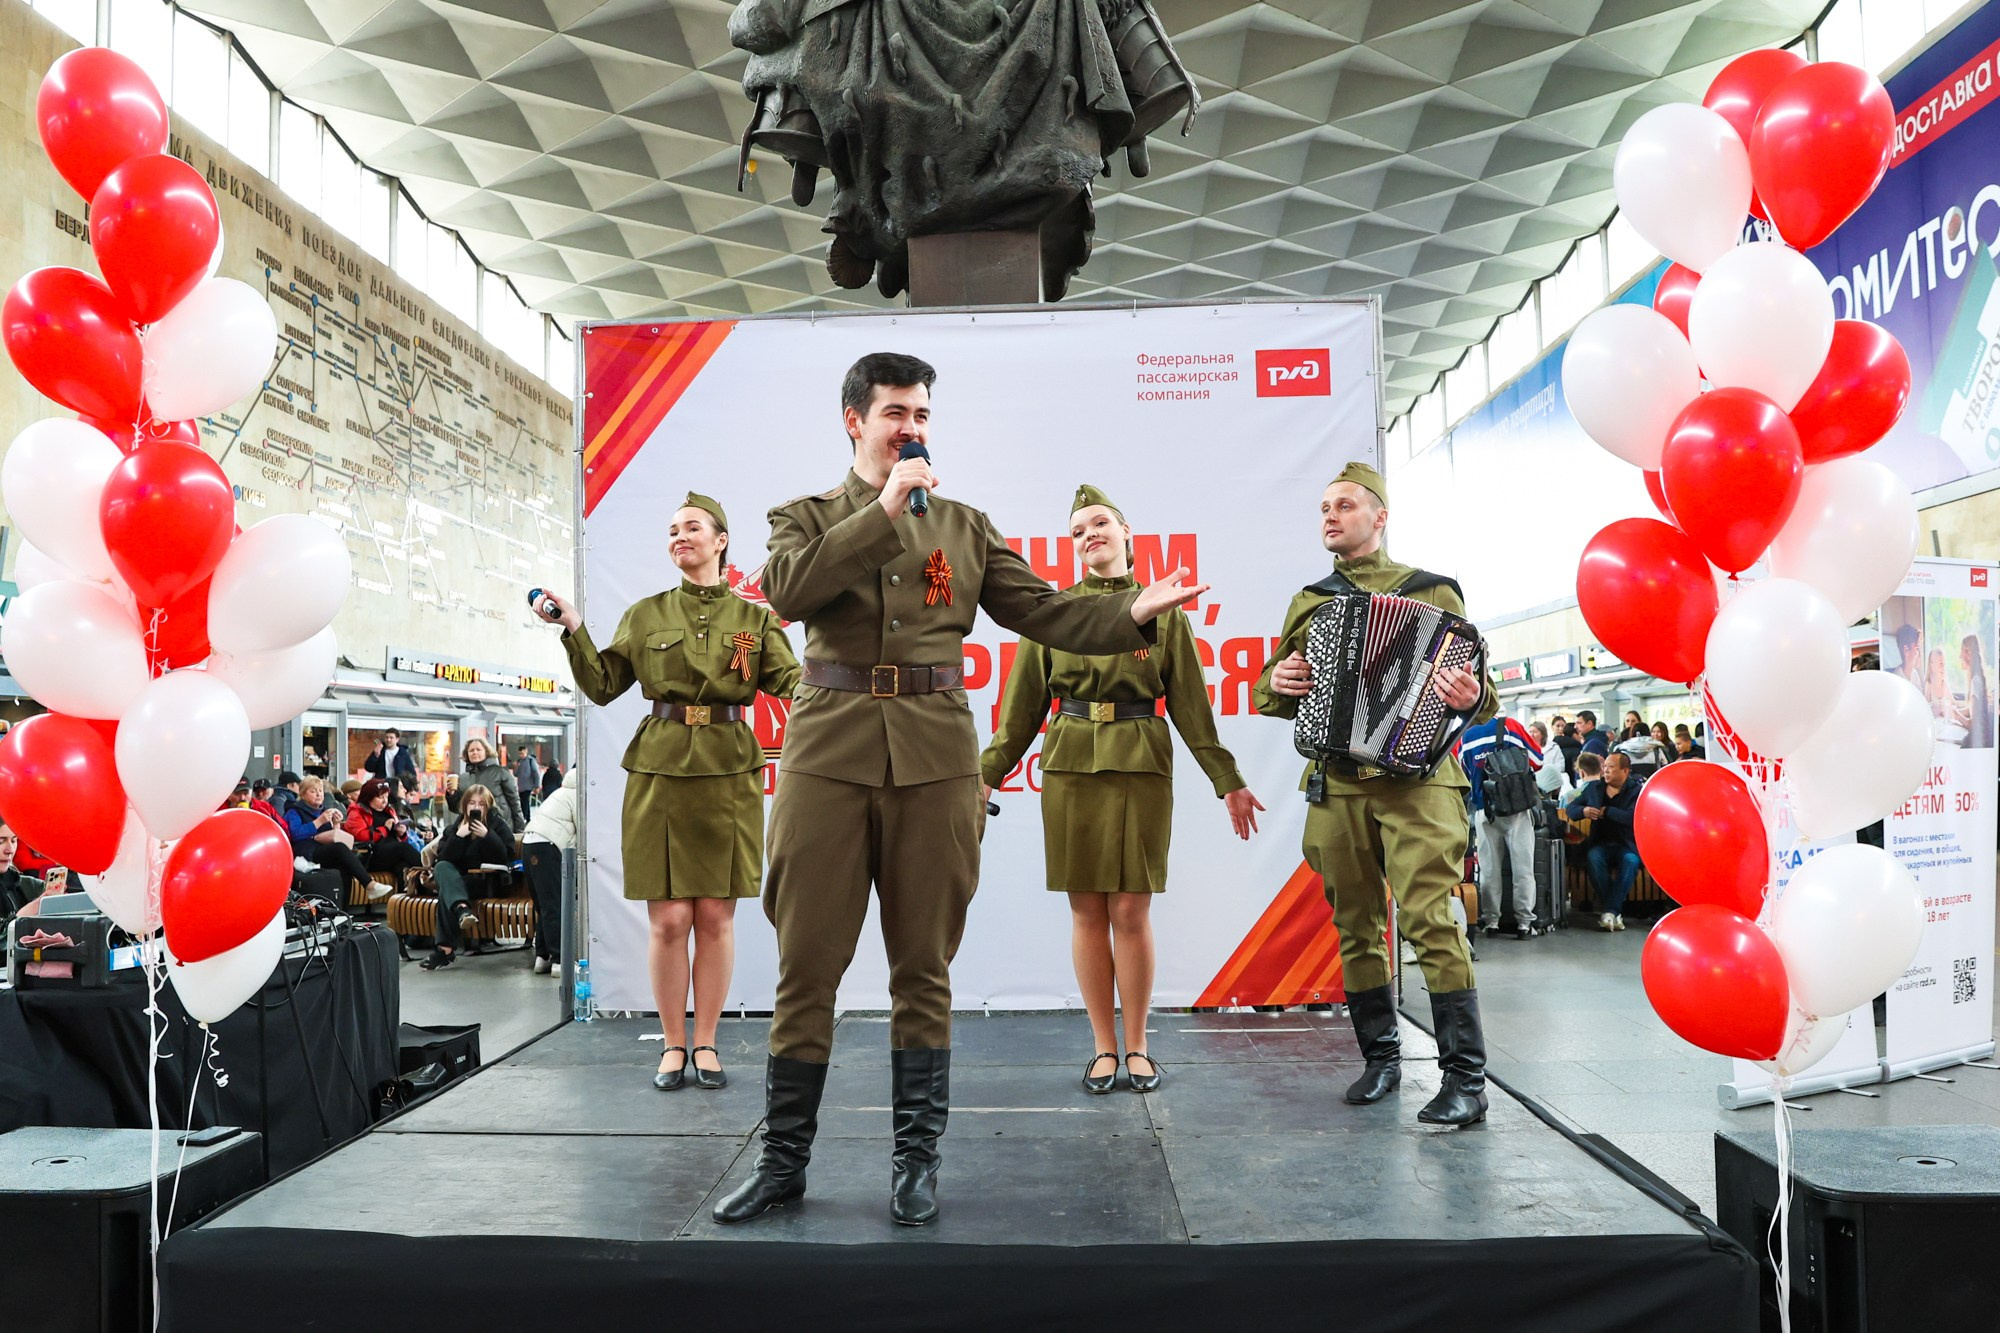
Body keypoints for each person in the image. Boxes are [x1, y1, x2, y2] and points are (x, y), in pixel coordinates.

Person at [712, 352, 1202, 1228]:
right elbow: (787, 591)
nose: (912, 427)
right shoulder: (805, 517)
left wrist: (1129, 613)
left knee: (924, 968)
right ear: (855, 420)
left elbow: (1046, 614)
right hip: (826, 753)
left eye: (923, 414)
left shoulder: (968, 528)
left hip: (938, 761)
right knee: (805, 968)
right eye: (896, 412)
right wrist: (884, 509)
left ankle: (916, 1162)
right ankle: (783, 1163)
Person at [980, 485, 1263, 1095]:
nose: (1089, 535)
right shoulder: (1052, 612)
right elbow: (1021, 711)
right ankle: (1102, 1048)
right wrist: (986, 774)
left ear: (1127, 532)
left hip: (1140, 760)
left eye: (1099, 522)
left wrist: (1228, 781)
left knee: (1131, 910)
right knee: (1086, 909)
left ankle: (1137, 1045)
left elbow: (1191, 705)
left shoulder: (1162, 607)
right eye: (1078, 530)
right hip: (1072, 761)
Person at [1254, 461, 1494, 1129]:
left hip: (1418, 786)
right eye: (1324, 506)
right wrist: (1283, 679)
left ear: (1379, 516)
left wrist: (1471, 695)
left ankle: (1466, 1080)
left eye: (1346, 505)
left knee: (1430, 920)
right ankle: (1381, 1058)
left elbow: (1482, 693)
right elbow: (1272, 692)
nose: (1329, 515)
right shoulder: (1312, 599)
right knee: (1355, 925)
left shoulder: (1434, 591)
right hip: (1340, 785)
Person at [541, 492, 800, 1090]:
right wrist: (574, 628)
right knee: (667, 922)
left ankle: (706, 1043)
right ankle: (672, 1045)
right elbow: (604, 684)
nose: (679, 537)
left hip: (730, 773)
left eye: (691, 528)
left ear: (721, 541)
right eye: (672, 531)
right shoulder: (646, 613)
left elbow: (791, 682)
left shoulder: (755, 620)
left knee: (714, 916)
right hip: (658, 774)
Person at [1458, 714, 1542, 940]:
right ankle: (1524, 924)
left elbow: (1462, 773)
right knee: (1523, 869)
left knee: (1488, 870)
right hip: (1516, 808)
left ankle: (1492, 921)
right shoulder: (1511, 726)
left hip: (1484, 810)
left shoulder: (1464, 735)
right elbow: (1537, 760)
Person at [419, 784, 514, 971]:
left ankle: (444, 950)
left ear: (488, 806)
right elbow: (444, 859)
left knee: (447, 893)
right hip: (460, 883)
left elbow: (506, 856)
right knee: (443, 868)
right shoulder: (456, 826)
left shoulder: (497, 824)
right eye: (472, 803)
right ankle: (462, 910)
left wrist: (488, 836)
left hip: (486, 882)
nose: (476, 807)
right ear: (465, 806)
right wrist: (458, 837)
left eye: (481, 804)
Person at [1566, 752, 1644, 931]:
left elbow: (1633, 817)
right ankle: (1613, 912)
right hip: (1600, 843)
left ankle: (1610, 910)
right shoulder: (1594, 788)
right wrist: (1584, 811)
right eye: (1605, 766)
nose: (1605, 771)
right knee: (1593, 857)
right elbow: (1571, 809)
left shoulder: (1636, 791)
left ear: (1625, 771)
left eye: (1611, 767)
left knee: (1631, 860)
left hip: (1627, 844)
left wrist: (1607, 812)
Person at [521, 767, 579, 975]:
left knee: (544, 906)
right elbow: (584, 831)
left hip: (529, 844)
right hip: (548, 846)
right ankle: (559, 960)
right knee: (555, 905)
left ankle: (543, 956)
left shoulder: (559, 793)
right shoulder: (578, 795)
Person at [284, 777, 373, 902]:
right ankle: (368, 884)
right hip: (306, 852)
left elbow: (329, 836)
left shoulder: (323, 811)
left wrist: (336, 824)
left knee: (344, 866)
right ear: (303, 794)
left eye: (320, 791)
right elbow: (296, 834)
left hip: (323, 850)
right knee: (339, 849)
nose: (318, 794)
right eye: (313, 791)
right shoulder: (294, 811)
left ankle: (343, 910)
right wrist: (319, 822)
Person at [342, 778, 421, 898]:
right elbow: (361, 836)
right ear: (369, 797)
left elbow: (399, 839)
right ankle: (432, 873)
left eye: (386, 797)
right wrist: (384, 829)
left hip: (391, 854)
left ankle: (402, 905)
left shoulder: (389, 810)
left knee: (404, 868)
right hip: (371, 855)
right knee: (403, 848)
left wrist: (401, 833)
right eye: (380, 797)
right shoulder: (357, 811)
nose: (384, 801)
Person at [447, 738, 520, 840]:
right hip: (472, 832)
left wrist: (520, 831)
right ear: (466, 754)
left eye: (478, 749)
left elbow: (515, 803)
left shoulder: (500, 772)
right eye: (471, 750)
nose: (475, 752)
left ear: (487, 751)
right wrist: (452, 795)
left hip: (500, 829)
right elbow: (458, 809)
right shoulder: (463, 778)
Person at [0, 821, 48, 929]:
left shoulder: (29, 885)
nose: (10, 850)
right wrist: (21, 918)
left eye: (14, 840)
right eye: (0, 842)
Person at [1963, 634, 1993, 748]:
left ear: (1968, 654)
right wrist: (1954, 710)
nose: (1959, 657)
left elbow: (1973, 724)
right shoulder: (1976, 679)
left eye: (1962, 652)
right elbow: (1971, 710)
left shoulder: (1976, 682)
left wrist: (1956, 716)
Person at [1528, 721, 1568, 799]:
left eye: (1535, 732)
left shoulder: (1553, 747)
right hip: (1533, 785)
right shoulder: (1525, 749)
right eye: (1530, 732)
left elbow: (1560, 766)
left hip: (1550, 785)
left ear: (1542, 733)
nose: (1531, 735)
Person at [513, 745, 543, 820]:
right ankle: (528, 818)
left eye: (522, 753)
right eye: (520, 754)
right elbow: (515, 774)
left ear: (526, 752)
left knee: (525, 802)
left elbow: (536, 773)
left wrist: (537, 786)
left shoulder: (531, 760)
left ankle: (524, 817)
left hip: (528, 786)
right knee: (523, 802)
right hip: (521, 786)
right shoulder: (519, 761)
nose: (521, 755)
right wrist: (516, 767)